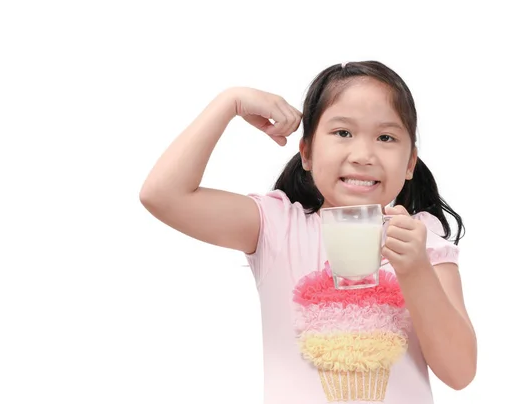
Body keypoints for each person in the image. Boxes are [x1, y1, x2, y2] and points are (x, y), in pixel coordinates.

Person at [139, 61, 477, 404]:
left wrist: (416, 270)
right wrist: (230, 102)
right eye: (343, 132)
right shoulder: (277, 227)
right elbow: (162, 195)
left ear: (409, 164)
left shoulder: (423, 240)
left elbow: (460, 372)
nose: (363, 155)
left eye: (385, 137)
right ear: (307, 153)